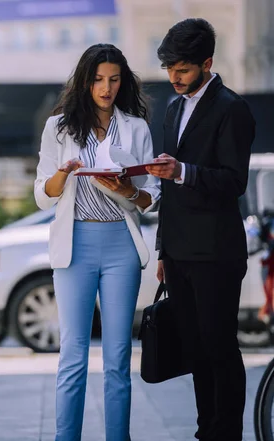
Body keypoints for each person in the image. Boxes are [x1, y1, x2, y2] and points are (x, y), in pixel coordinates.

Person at [34, 44, 161, 441]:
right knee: (73, 355)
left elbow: (151, 195)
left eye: (114, 79)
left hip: (121, 245)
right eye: (98, 79)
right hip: (75, 245)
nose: (106, 88)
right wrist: (63, 173)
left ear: (123, 82)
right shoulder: (59, 127)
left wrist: (126, 188)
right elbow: (42, 193)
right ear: (85, 81)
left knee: (117, 359)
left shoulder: (136, 128)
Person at [145, 18, 256, 441]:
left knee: (219, 347)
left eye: (184, 69)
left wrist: (183, 171)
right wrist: (163, 250)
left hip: (217, 252)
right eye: (170, 68)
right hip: (178, 251)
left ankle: (225, 433)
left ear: (207, 63)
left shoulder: (232, 109)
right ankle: (204, 431)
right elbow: (170, 189)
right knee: (194, 350)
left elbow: (233, 181)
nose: (174, 76)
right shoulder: (173, 108)